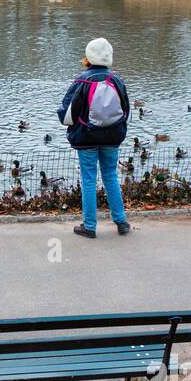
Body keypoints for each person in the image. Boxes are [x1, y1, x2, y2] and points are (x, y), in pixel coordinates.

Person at [56, 38, 130, 238]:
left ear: (88, 58)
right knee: (111, 177)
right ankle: (121, 222)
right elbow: (126, 111)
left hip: (86, 138)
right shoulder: (117, 81)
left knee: (89, 180)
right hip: (112, 137)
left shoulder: (81, 81)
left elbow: (66, 116)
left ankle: (89, 226)